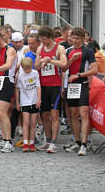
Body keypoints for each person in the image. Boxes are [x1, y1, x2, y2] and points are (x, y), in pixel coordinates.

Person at [64, 27, 98, 156]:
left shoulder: (88, 51)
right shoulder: (68, 51)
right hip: (71, 85)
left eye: (78, 38)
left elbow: (94, 70)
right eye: (73, 38)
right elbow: (64, 68)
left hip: (82, 83)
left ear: (83, 39)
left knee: (83, 113)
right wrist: (72, 60)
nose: (75, 41)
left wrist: (79, 75)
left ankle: (84, 143)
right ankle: (77, 141)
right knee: (72, 114)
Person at [35, 26, 67, 154]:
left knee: (54, 114)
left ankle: (53, 142)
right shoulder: (40, 48)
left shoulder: (59, 48)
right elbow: (36, 66)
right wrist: (42, 60)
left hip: (55, 85)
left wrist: (51, 60)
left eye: (45, 39)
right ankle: (47, 140)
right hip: (43, 85)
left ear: (50, 37)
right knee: (44, 115)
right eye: (41, 39)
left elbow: (64, 63)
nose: (43, 42)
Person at [15, 57, 41, 152]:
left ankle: (32, 142)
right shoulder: (20, 75)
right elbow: (17, 88)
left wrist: (39, 99)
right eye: (25, 68)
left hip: (34, 100)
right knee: (26, 122)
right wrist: (17, 102)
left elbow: (38, 86)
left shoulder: (35, 73)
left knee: (33, 123)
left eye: (29, 68)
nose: (27, 70)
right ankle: (25, 142)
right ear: (22, 67)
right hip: (24, 101)